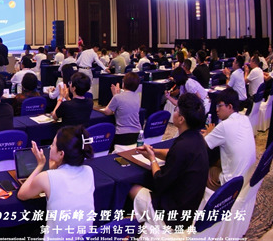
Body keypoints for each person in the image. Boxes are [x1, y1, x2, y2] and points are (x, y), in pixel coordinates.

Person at [15, 126, 95, 241]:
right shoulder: (89, 171)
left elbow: (22, 194)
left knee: (30, 225)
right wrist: (54, 165)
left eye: (52, 145)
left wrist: (40, 165)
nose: (49, 147)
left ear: (61, 154)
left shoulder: (46, 177)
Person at [129, 93, 209, 231]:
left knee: (132, 188)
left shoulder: (183, 146)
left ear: (181, 119)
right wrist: (154, 151)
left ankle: (141, 227)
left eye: (176, 109)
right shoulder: (197, 139)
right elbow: (173, 154)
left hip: (172, 215)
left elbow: (159, 181)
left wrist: (152, 158)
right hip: (188, 208)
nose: (174, 112)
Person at [202, 88, 255, 191]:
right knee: (218, 159)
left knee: (204, 170)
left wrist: (209, 133)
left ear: (230, 106)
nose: (217, 109)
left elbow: (203, 144)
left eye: (220, 106)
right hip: (248, 177)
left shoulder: (224, 125)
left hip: (231, 184)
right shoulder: (245, 119)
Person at [100, 71, 142, 148]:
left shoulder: (118, 97)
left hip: (122, 135)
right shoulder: (137, 96)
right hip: (137, 133)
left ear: (124, 83)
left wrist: (114, 95)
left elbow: (107, 111)